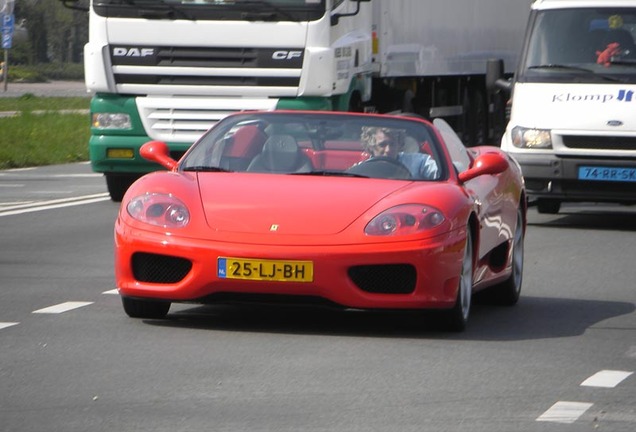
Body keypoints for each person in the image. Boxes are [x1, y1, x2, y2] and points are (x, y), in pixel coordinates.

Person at [360, 126, 438, 179]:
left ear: (399, 144)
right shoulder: (360, 171)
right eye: (382, 145)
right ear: (371, 146)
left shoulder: (419, 162)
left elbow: (441, 174)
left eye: (392, 144)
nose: (388, 150)